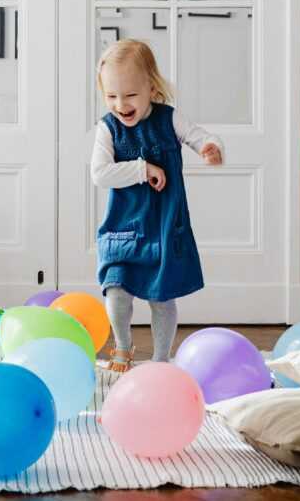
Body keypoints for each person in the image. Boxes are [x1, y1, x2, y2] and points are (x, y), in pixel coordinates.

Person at [91, 39, 224, 372]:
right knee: (116, 290)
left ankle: (161, 360)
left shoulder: (169, 119)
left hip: (164, 226)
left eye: (130, 95)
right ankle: (122, 349)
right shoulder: (108, 129)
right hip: (124, 226)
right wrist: (142, 169)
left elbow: (199, 136)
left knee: (161, 297)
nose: (121, 105)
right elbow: (100, 173)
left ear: (151, 88)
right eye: (111, 96)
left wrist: (210, 146)